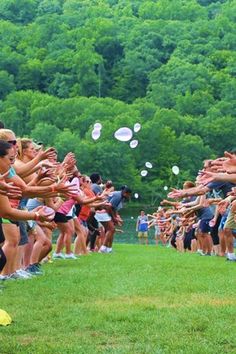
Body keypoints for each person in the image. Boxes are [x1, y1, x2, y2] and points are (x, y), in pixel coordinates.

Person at [96, 186, 132, 253]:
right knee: (111, 229)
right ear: (125, 193)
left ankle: (108, 249)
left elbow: (113, 208)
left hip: (105, 211)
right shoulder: (118, 196)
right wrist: (114, 218)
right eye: (128, 195)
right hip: (101, 211)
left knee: (111, 230)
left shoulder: (120, 195)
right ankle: (103, 248)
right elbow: (109, 207)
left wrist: (116, 217)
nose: (129, 197)